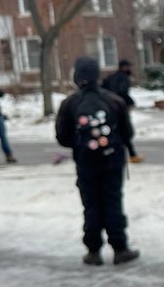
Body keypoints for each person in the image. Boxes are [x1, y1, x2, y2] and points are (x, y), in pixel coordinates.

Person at [55, 57, 140, 266]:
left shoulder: (69, 104)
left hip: (85, 163)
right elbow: (127, 132)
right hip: (112, 161)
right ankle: (120, 248)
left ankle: (93, 251)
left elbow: (62, 137)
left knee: (91, 205)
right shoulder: (114, 101)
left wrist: (80, 144)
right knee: (113, 202)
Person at [101, 59, 144, 163]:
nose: (129, 68)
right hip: (120, 107)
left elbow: (102, 88)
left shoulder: (110, 77)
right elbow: (122, 92)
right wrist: (130, 102)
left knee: (112, 130)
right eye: (128, 66)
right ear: (123, 67)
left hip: (109, 107)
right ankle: (132, 155)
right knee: (125, 131)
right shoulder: (124, 78)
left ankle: (109, 154)